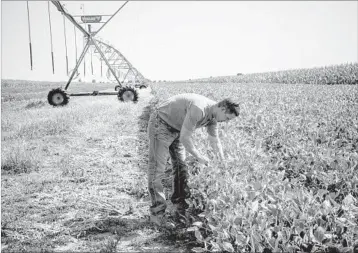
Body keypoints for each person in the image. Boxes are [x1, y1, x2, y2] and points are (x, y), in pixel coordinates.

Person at [147, 93, 240, 227]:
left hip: (178, 128)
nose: (225, 121)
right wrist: (199, 156)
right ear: (223, 109)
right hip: (161, 123)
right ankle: (157, 215)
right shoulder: (200, 108)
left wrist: (222, 162)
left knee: (181, 166)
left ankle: (179, 203)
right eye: (226, 118)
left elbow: (215, 140)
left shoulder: (214, 116)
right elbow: (185, 138)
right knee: (157, 169)